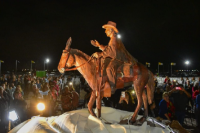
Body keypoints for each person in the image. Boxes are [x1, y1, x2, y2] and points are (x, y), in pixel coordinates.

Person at [91, 21, 137, 93]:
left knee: (109, 68)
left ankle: (112, 86)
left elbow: (111, 52)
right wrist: (99, 45)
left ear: (111, 30)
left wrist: (99, 54)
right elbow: (109, 49)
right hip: (116, 57)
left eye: (106, 30)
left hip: (117, 58)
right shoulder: (113, 39)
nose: (105, 32)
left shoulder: (113, 39)